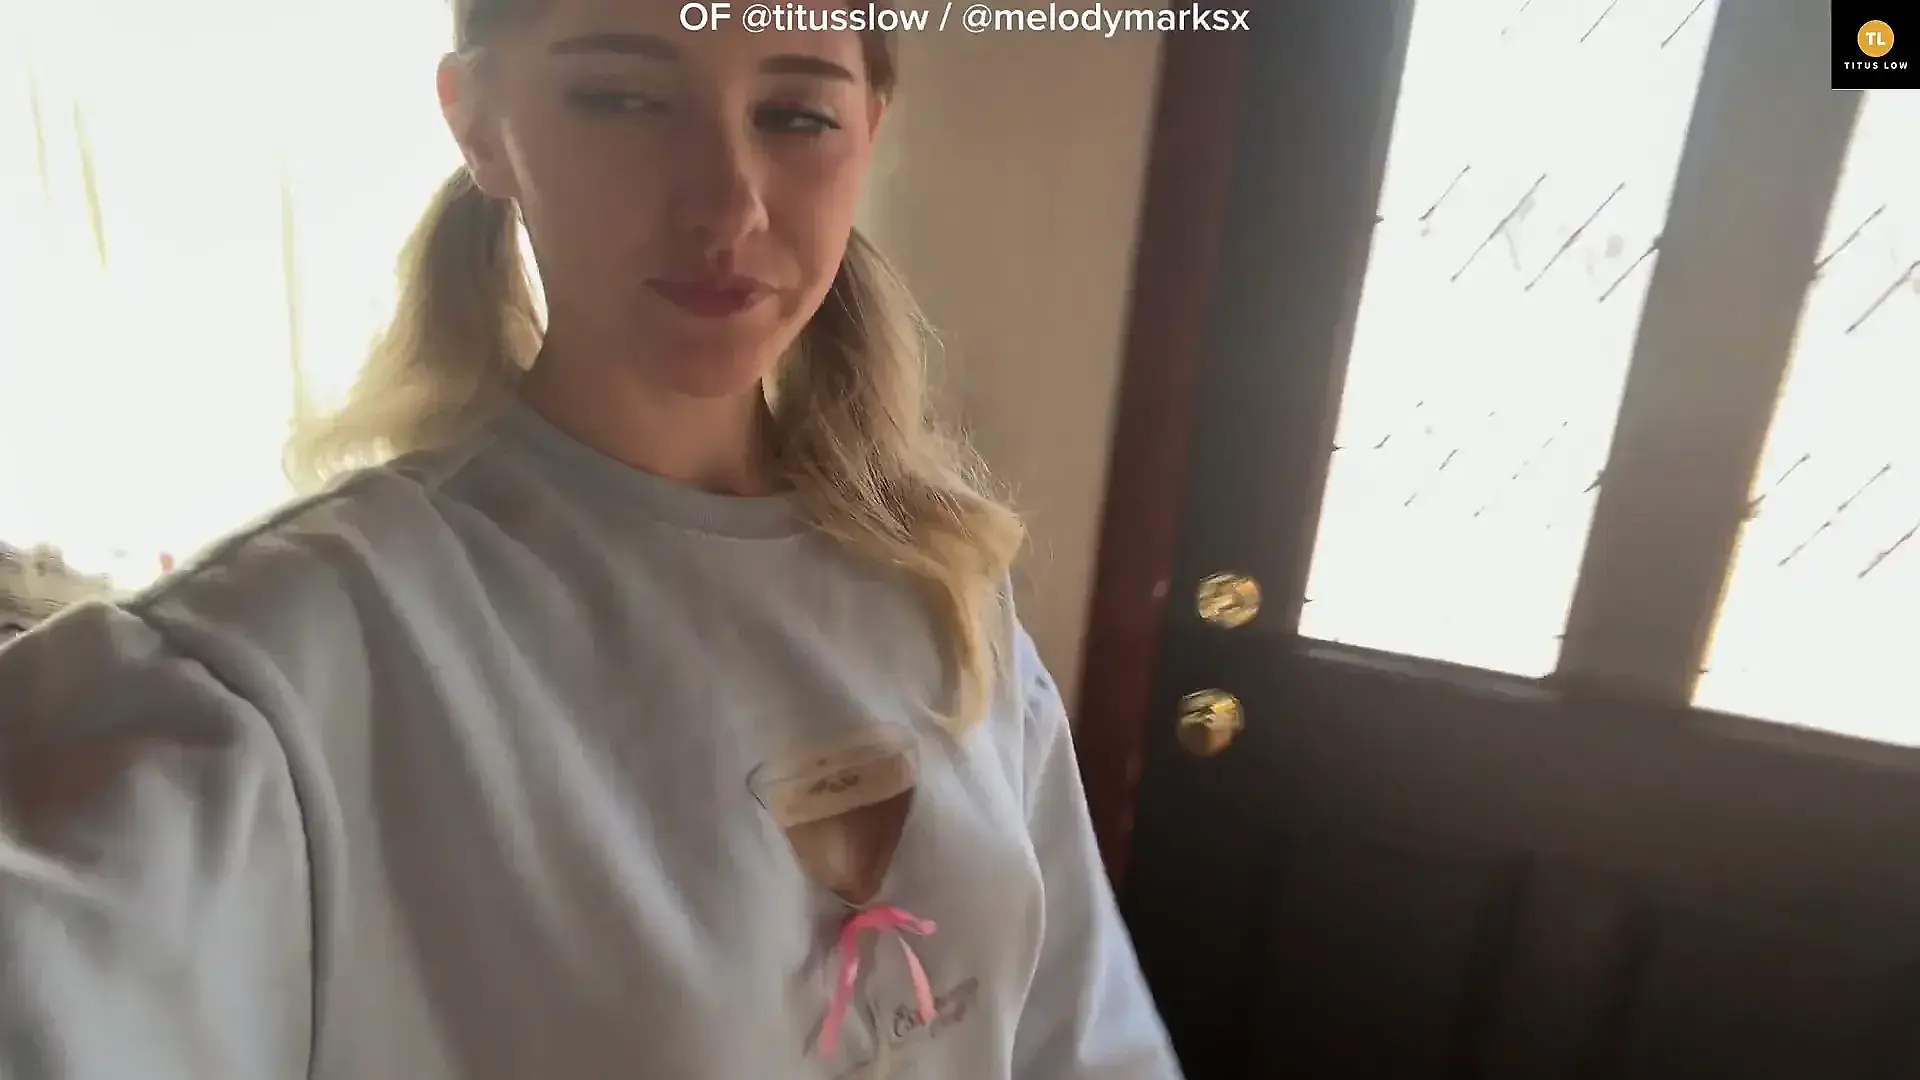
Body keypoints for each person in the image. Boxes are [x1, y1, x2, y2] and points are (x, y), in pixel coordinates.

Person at [0, 2, 1182, 1078]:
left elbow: (1082, 1041)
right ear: (481, 125)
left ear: (869, 127)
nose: (727, 205)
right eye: (621, 99)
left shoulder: (947, 593)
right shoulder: (281, 668)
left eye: (794, 115)